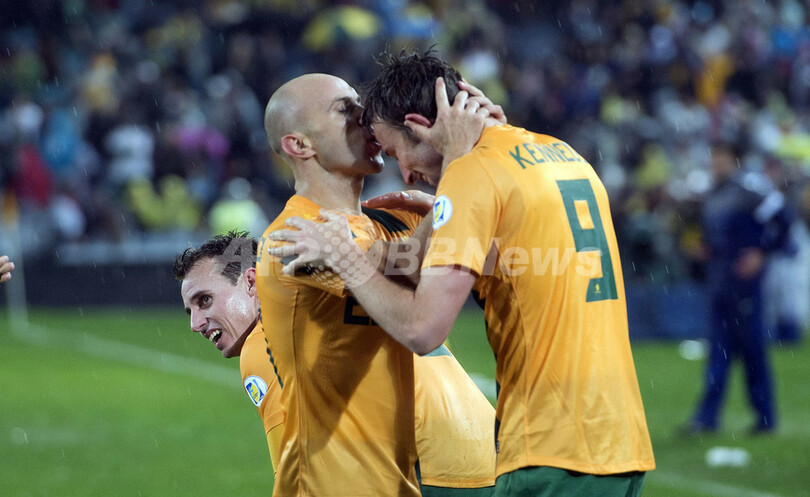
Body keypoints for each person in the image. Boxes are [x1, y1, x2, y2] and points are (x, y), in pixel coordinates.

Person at [268, 50, 655, 496]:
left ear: (420, 126)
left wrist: (351, 257)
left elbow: (421, 326)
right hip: (620, 440)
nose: (407, 176)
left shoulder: (473, 176)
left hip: (550, 446)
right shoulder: (560, 153)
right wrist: (438, 217)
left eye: (395, 151)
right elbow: (496, 260)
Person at [257, 73, 499, 496]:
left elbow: (493, 260)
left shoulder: (396, 220)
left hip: (397, 480)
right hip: (327, 482)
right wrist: (456, 176)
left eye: (360, 104)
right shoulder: (293, 238)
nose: (365, 116)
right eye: (344, 110)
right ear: (300, 145)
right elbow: (408, 274)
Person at [682, 141, 792, 434]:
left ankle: (765, 418)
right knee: (717, 353)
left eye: (720, 158)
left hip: (744, 285)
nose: (715, 164)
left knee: (752, 351)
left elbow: (784, 219)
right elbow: (718, 237)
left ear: (734, 159)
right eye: (713, 158)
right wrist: (706, 249)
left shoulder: (750, 187)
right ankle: (707, 418)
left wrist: (762, 252)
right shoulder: (714, 192)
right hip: (720, 282)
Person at [174, 231, 285, 471]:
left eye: (204, 300)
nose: (195, 325)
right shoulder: (310, 319)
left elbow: (296, 474)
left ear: (251, 282)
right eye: (190, 311)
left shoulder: (261, 347)